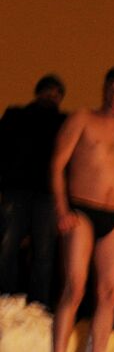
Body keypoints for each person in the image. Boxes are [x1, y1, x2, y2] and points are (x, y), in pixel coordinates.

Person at [49, 67, 114, 352]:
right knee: (74, 287)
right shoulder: (82, 118)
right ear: (104, 89)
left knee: (110, 292)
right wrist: (61, 209)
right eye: (112, 89)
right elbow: (57, 164)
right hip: (81, 210)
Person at [0, 74, 67, 308]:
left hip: (43, 193)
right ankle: (8, 300)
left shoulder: (63, 123)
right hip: (18, 190)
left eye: (56, 93)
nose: (51, 97)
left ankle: (37, 305)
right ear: (38, 93)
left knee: (43, 252)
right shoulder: (16, 115)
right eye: (48, 91)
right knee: (9, 248)